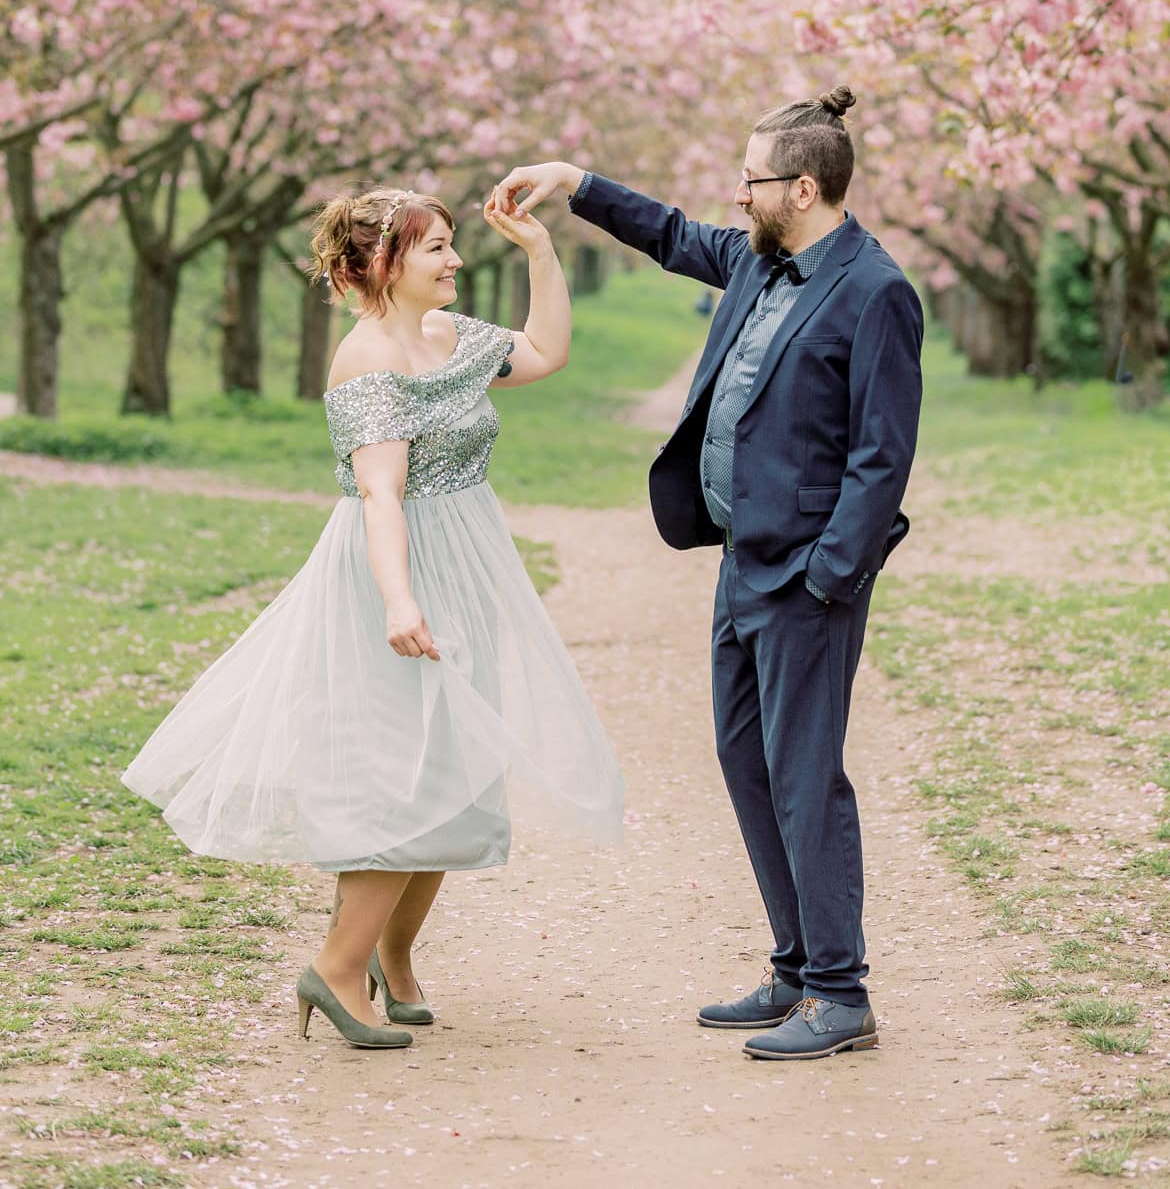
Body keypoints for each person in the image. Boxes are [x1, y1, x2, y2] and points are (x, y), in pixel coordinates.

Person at [122, 188, 623, 1050]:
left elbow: (544, 351)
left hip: (465, 564)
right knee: (403, 775)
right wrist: (399, 599)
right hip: (395, 573)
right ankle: (338, 966)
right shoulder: (366, 361)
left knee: (460, 762)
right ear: (384, 263)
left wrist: (541, 249)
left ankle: (394, 955)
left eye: (453, 245)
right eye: (436, 249)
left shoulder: (449, 339)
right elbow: (380, 493)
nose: (456, 261)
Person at [487, 85, 923, 1062]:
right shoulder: (760, 264)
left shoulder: (875, 290)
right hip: (738, 564)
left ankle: (843, 994)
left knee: (806, 778)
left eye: (753, 180)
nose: (738, 195)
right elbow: (672, 232)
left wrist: (828, 577)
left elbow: (880, 456)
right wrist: (576, 184)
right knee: (747, 762)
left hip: (806, 582)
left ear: (801, 187)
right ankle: (798, 967)